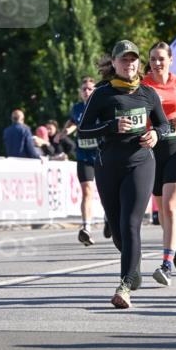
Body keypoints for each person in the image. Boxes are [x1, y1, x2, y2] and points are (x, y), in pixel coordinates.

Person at [77, 39, 170, 309]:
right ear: (114, 64)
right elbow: (84, 130)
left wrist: (155, 134)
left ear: (138, 64)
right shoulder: (102, 93)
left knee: (131, 224)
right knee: (118, 231)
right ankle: (134, 267)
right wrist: (110, 125)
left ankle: (125, 285)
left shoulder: (148, 94)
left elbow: (164, 125)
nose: (129, 64)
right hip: (108, 165)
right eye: (124, 60)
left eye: (133, 60)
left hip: (140, 162)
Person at [143, 42, 176, 286]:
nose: (156, 63)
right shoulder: (143, 85)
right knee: (161, 210)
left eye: (161, 58)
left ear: (170, 60)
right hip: (154, 148)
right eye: (153, 58)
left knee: (171, 205)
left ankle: (166, 265)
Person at [62, 77, 98, 246]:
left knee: (107, 193)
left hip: (101, 155)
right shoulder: (77, 108)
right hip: (83, 155)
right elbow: (72, 122)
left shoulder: (101, 105)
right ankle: (86, 228)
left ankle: (109, 219)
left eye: (90, 89)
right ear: (80, 92)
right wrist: (65, 131)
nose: (86, 92)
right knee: (87, 192)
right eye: (84, 89)